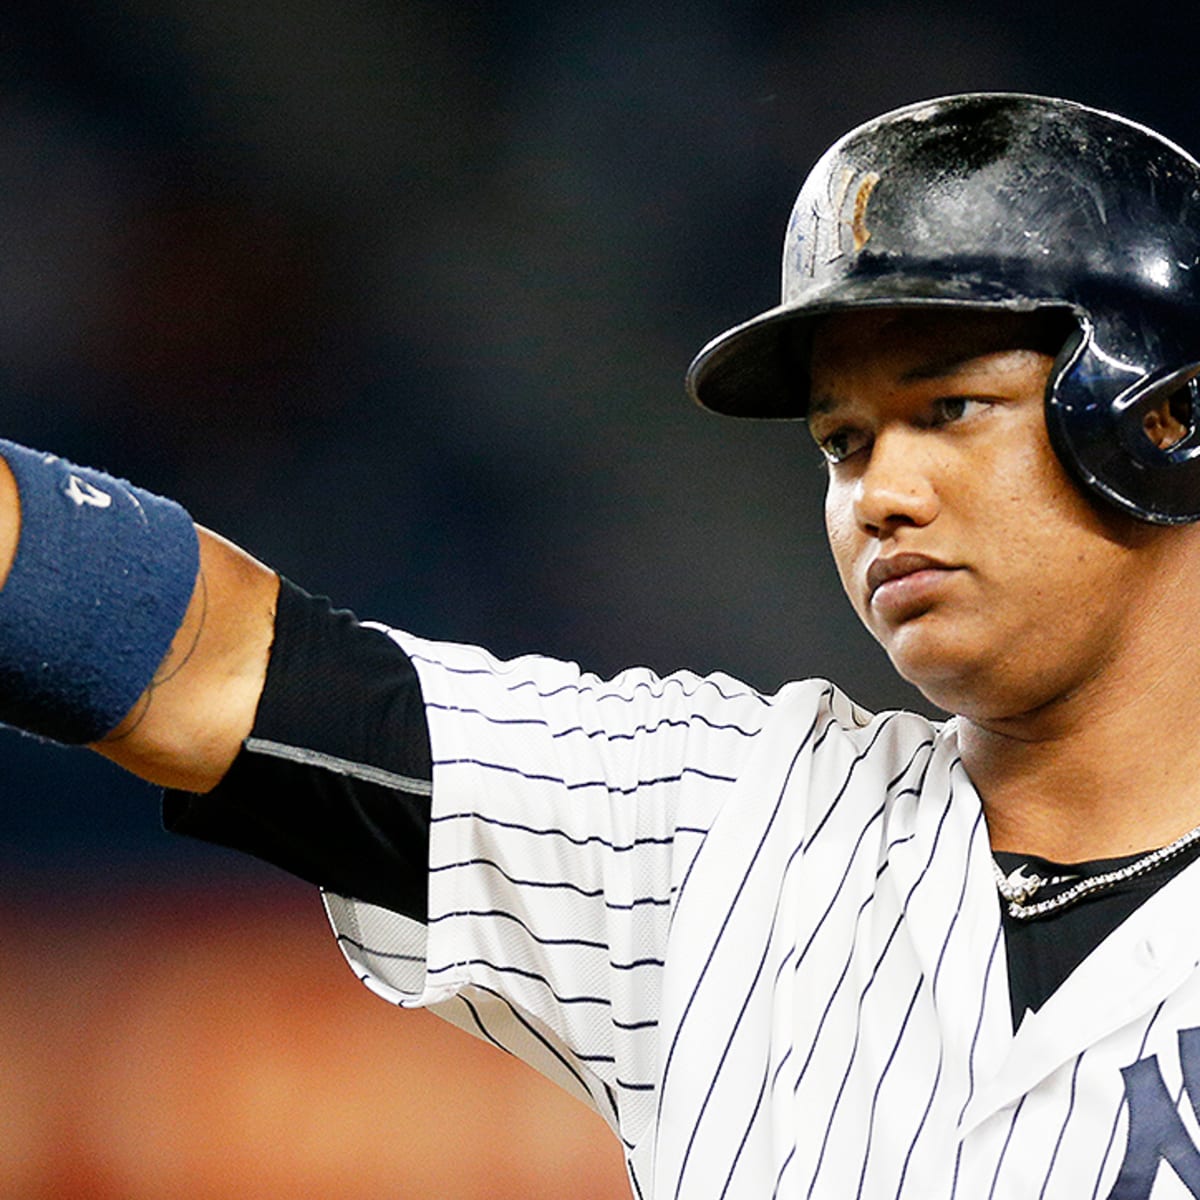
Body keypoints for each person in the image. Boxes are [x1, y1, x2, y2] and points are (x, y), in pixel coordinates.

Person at [3, 91, 1200, 1198]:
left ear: (1166, 416)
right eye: (843, 442)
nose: (880, 492)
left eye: (947, 411)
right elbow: (210, 665)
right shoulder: (728, 818)